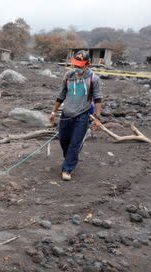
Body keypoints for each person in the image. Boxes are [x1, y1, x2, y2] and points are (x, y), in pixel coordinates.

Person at [50, 50, 102, 181]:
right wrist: (53, 112)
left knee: (74, 144)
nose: (77, 68)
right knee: (64, 141)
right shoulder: (68, 75)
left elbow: (97, 99)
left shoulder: (94, 79)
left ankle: (67, 169)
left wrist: (97, 118)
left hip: (82, 116)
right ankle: (71, 158)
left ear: (87, 64)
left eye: (80, 65)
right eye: (75, 65)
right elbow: (61, 94)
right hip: (66, 114)